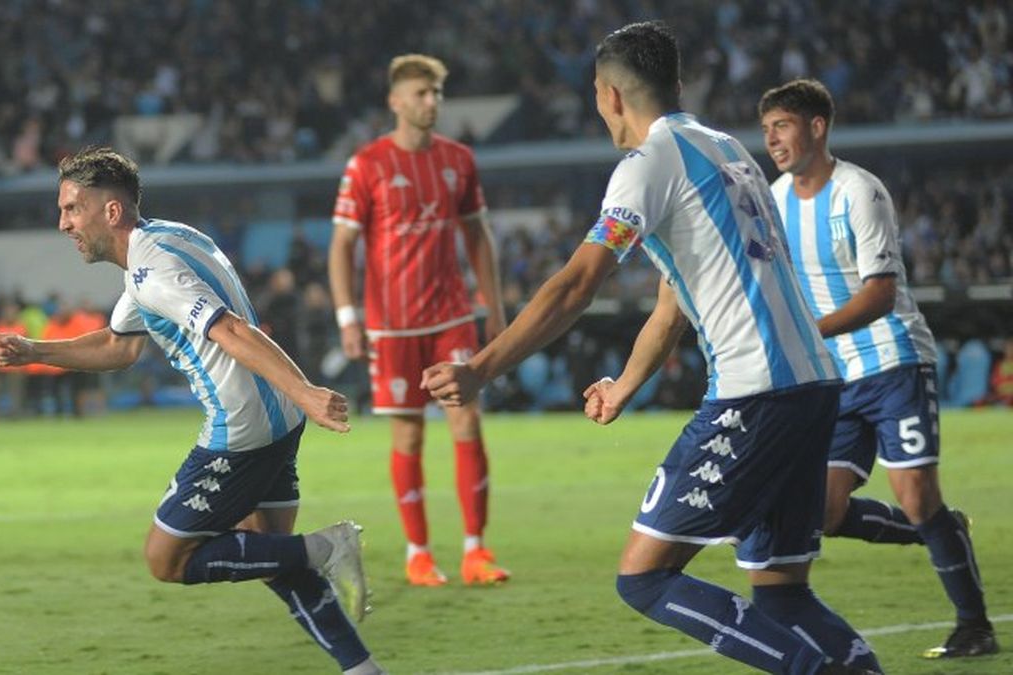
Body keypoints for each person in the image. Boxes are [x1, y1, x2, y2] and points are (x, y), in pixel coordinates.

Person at [425, 22, 881, 674]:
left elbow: (578, 282)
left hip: (755, 393)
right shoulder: (727, 149)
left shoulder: (648, 163)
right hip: (813, 386)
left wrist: (480, 368)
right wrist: (623, 384)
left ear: (610, 95)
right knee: (782, 592)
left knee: (643, 577)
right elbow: (672, 307)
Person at [0, 148, 383, 675]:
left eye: (73, 209)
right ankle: (361, 668)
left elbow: (232, 329)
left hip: (242, 428)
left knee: (166, 559)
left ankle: (328, 545)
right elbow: (121, 348)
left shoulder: (152, 273)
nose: (63, 223)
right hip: (278, 421)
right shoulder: (170, 238)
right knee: (268, 554)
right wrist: (35, 351)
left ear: (111, 212)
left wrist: (306, 391)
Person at [759, 78, 998, 659]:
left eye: (782, 126)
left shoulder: (859, 193)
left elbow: (881, 296)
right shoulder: (776, 196)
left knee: (917, 496)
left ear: (818, 127)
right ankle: (941, 532)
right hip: (835, 375)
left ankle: (975, 626)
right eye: (766, 131)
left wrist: (803, 333)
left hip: (893, 361)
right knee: (825, 511)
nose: (772, 140)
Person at [328, 53, 510, 587]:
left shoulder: (459, 160)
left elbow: (478, 236)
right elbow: (341, 245)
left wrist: (493, 309)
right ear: (396, 101)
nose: (431, 103)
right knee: (408, 438)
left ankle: (476, 550)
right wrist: (347, 317)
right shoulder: (366, 164)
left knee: (467, 421)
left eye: (436, 94)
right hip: (391, 325)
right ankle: (419, 554)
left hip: (451, 317)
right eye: (421, 94)